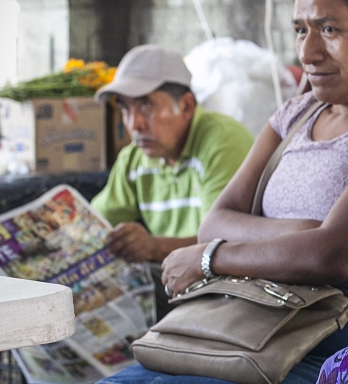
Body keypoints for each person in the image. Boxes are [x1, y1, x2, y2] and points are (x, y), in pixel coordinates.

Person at [102, 0, 348, 384]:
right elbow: (214, 220)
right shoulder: (295, 115)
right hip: (252, 312)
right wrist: (302, 233)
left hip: (332, 332)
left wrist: (211, 257)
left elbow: (340, 254)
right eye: (301, 30)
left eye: (329, 29)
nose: (309, 51)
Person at [91, 45, 253, 314]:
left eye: (145, 105)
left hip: (225, 287)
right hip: (176, 278)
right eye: (125, 109)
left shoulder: (222, 141)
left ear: (186, 106)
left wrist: (154, 247)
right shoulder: (134, 159)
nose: (135, 124)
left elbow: (223, 246)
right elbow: (95, 224)